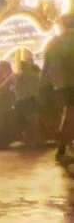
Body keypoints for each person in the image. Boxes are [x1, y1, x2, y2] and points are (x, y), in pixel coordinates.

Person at [41, 14, 74, 163]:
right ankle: (63, 145)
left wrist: (44, 84)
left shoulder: (54, 43)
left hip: (59, 85)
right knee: (70, 113)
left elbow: (46, 66)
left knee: (68, 112)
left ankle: (63, 145)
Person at [14, 59, 41, 144]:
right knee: (32, 119)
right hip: (30, 99)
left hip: (22, 100)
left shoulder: (19, 76)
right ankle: (33, 136)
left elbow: (17, 89)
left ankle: (28, 137)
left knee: (26, 119)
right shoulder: (33, 75)